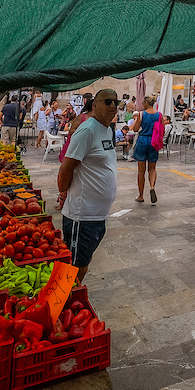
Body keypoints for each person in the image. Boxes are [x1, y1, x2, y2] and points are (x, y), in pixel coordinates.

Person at [56, 88, 119, 284]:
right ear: (95, 105)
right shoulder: (87, 129)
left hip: (98, 215)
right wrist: (63, 192)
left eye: (116, 102)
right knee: (75, 265)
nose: (113, 106)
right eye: (108, 101)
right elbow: (67, 167)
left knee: (84, 260)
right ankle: (66, 302)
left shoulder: (107, 129)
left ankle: (74, 294)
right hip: (82, 215)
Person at [130, 96, 167, 204]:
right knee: (152, 168)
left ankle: (141, 195)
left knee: (141, 171)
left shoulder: (141, 114)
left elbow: (136, 129)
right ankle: (152, 187)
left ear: (146, 103)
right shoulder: (159, 115)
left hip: (142, 141)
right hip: (153, 141)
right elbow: (162, 129)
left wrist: (137, 121)